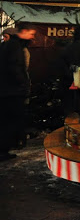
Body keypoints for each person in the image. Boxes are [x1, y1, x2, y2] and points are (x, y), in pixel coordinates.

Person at [0, 23, 36, 161]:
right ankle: (4, 150)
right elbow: (16, 69)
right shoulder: (16, 47)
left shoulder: (8, 45)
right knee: (10, 121)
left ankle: (5, 148)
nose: (33, 37)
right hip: (12, 92)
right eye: (31, 34)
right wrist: (24, 85)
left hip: (6, 91)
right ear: (24, 32)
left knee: (6, 121)